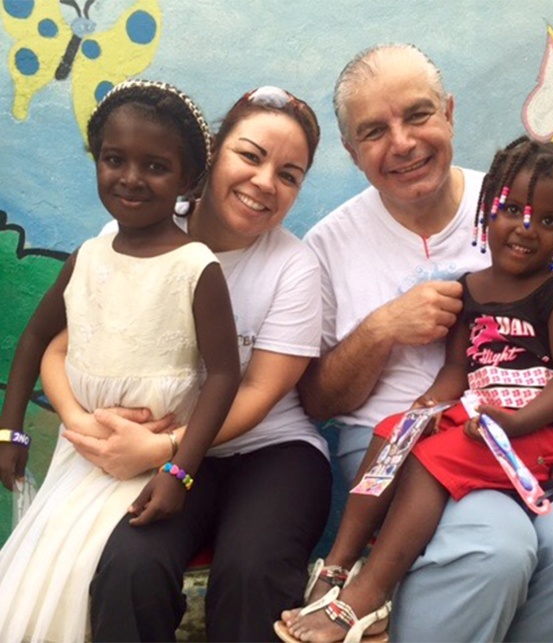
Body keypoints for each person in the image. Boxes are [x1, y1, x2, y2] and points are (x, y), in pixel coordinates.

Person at [287, 44, 553, 642]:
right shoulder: (327, 245)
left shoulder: (522, 200)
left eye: (418, 115)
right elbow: (317, 402)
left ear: (449, 113)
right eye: (375, 130)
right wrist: (380, 330)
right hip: (402, 436)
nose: (402, 143)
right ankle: (361, 594)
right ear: (350, 151)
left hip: (534, 433)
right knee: (492, 550)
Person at [40, 86, 333, 642]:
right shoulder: (127, 233)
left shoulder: (294, 267)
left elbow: (256, 394)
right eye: (250, 155)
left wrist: (163, 448)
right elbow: (58, 345)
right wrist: (90, 429)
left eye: (290, 175)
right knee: (130, 567)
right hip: (158, 461)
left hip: (269, 453)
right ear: (210, 158)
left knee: (253, 573)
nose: (265, 182)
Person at [0, 79, 241, 642]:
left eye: (155, 166)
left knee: (91, 579)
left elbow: (226, 374)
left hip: (147, 465)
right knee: (29, 585)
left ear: (188, 180)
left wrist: (179, 472)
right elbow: (34, 341)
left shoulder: (195, 266)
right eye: (114, 159)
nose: (130, 178)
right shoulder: (87, 257)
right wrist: (10, 431)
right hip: (78, 457)